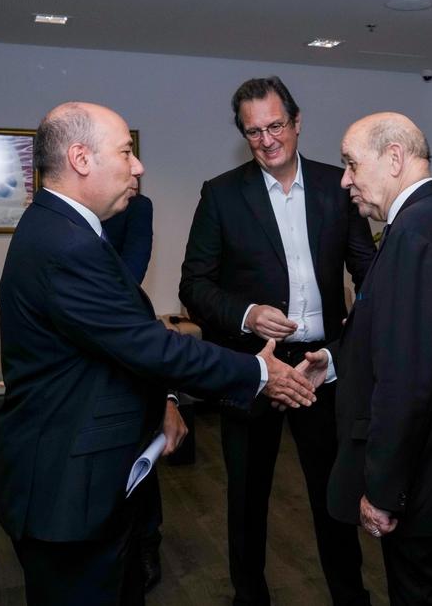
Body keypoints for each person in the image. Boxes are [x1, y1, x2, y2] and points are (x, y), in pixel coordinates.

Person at [0, 101, 316, 606]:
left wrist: (163, 399)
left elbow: (119, 342)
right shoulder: (67, 244)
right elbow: (146, 344)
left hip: (88, 479)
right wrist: (258, 370)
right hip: (67, 490)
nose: (139, 165)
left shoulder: (64, 229)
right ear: (81, 159)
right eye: (126, 152)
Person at [179, 77, 374, 606]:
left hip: (321, 367)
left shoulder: (337, 187)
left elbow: (371, 275)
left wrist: (340, 352)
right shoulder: (222, 194)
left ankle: (350, 597)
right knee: (246, 500)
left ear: (297, 121)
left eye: (275, 126)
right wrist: (247, 315)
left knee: (334, 497)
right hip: (254, 368)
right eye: (253, 132)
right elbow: (194, 284)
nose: (267, 140)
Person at [303, 112, 432, 606]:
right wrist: (334, 360)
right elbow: (403, 337)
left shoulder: (416, 234)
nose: (345, 180)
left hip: (429, 482)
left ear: (394, 158)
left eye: (352, 164)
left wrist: (382, 491)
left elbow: (406, 381)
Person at [102, 177, 172, 592]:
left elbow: (132, 271)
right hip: (84, 334)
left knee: (137, 446)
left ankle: (147, 540)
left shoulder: (138, 208)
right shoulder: (67, 212)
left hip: (124, 323)